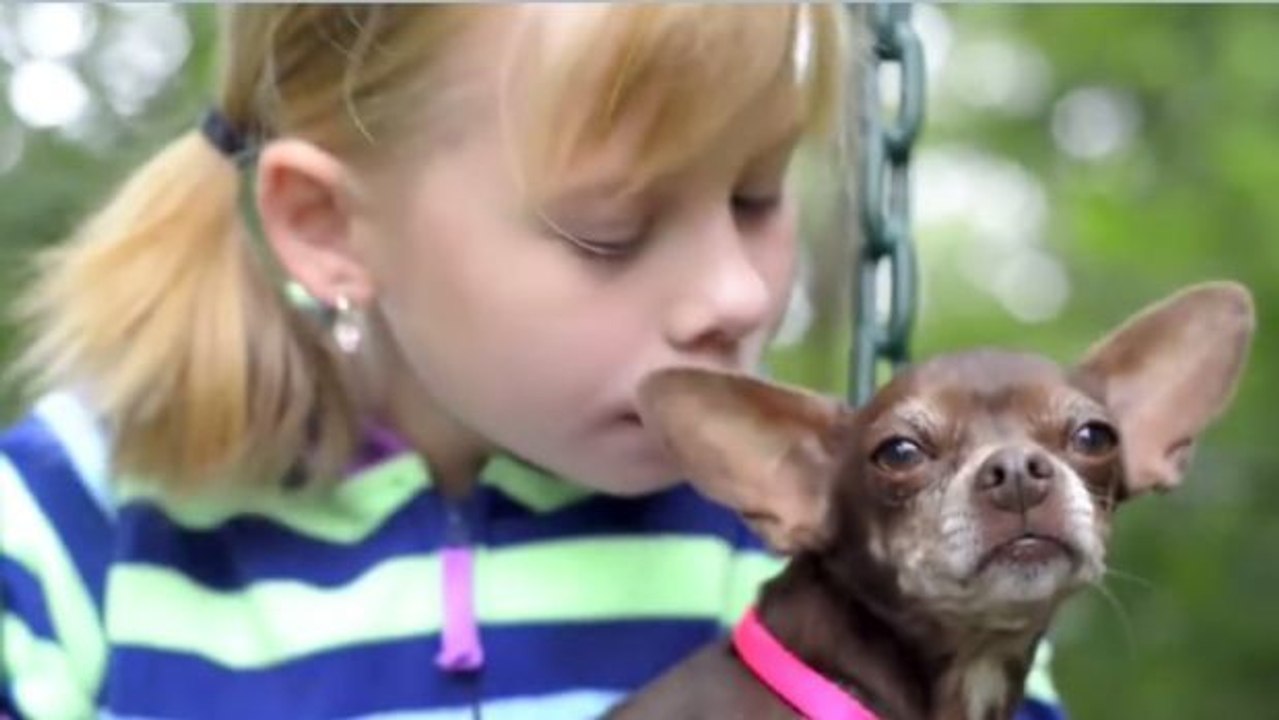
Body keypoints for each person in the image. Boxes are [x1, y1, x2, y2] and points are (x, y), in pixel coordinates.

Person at [0, 5, 1064, 719]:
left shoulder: (870, 530)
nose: (736, 293)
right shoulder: (67, 540)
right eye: (609, 228)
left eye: (755, 192)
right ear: (329, 228)